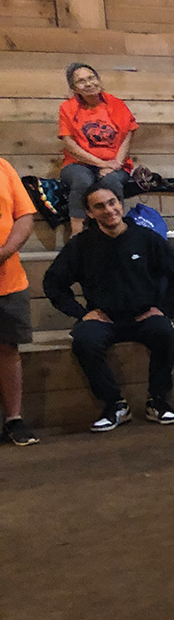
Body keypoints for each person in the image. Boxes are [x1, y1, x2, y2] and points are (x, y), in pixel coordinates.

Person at [43, 183, 174, 433]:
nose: (109, 210)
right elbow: (53, 283)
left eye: (112, 202)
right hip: (104, 319)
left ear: (120, 204)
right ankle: (114, 405)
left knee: (164, 334)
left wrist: (165, 310)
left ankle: (158, 401)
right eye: (99, 206)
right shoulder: (81, 245)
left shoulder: (146, 239)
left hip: (145, 316)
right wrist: (82, 314)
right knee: (83, 340)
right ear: (89, 213)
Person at [58, 62, 138, 236]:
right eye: (81, 81)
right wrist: (102, 164)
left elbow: (128, 135)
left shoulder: (116, 104)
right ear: (74, 88)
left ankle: (118, 231)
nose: (88, 84)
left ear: (98, 80)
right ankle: (77, 235)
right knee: (82, 179)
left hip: (116, 164)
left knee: (110, 181)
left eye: (91, 78)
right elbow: (70, 144)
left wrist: (116, 163)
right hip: (78, 164)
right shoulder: (68, 108)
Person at [0, 157, 39, 446]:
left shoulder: (3, 167)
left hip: (8, 279)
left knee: (8, 348)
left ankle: (14, 418)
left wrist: (4, 252)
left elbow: (24, 217)